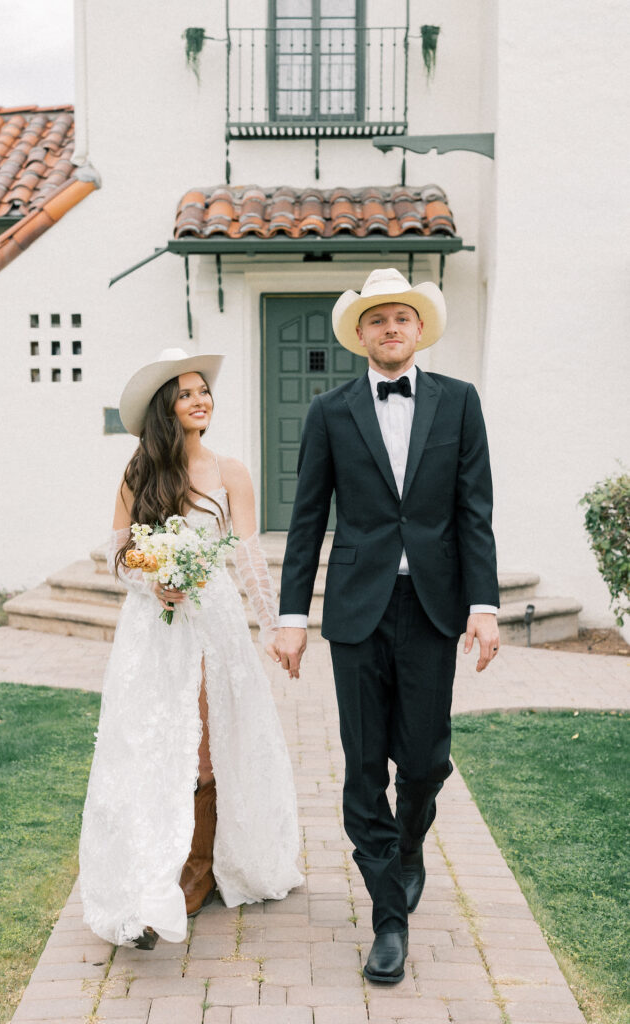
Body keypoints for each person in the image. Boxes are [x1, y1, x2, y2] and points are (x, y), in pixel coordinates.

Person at [274, 268, 500, 984]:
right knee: (365, 762)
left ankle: (407, 852)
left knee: (426, 758)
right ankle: (386, 918)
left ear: (418, 329)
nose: (390, 328)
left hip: (433, 607)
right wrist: (290, 616)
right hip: (356, 610)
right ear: (360, 334)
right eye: (377, 320)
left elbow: (473, 511)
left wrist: (484, 605)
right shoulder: (329, 411)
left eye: (401, 317)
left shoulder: (458, 404)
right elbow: (307, 518)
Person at [80, 347, 302, 949]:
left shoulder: (231, 472)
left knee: (205, 745)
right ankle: (148, 868)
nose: (200, 399)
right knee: (149, 743)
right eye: (186, 392)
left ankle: (198, 871)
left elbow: (250, 556)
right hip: (153, 627)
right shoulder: (139, 473)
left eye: (203, 390)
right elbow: (118, 552)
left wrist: (277, 623)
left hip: (214, 624)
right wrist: (153, 577)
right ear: (165, 408)